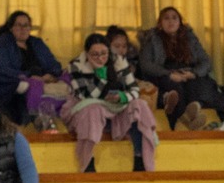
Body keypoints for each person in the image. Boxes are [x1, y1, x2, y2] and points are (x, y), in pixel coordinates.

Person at [64, 34, 157, 173]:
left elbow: (135, 89)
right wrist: (101, 75)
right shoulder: (76, 65)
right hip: (87, 114)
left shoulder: (118, 61)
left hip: (115, 110)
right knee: (92, 108)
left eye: (103, 53)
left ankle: (141, 159)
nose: (100, 58)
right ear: (87, 54)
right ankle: (88, 162)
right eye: (94, 54)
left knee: (140, 105)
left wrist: (122, 97)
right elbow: (87, 96)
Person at [137, 8, 224, 130]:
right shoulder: (152, 39)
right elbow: (146, 64)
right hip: (164, 74)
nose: (171, 21)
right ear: (160, 24)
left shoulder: (190, 38)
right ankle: (183, 120)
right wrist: (169, 74)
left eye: (174, 18)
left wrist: (193, 73)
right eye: (166, 18)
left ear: (180, 22)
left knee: (200, 84)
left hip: (187, 72)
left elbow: (206, 61)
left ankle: (194, 114)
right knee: (175, 87)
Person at [0, 11, 65, 127]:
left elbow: (54, 65)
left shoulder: (37, 43)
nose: (23, 29)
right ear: (11, 28)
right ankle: (39, 124)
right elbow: (2, 69)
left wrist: (50, 75)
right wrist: (29, 77)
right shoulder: (3, 44)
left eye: (26, 25)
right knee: (31, 88)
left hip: (45, 82)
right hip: (17, 85)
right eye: (19, 25)